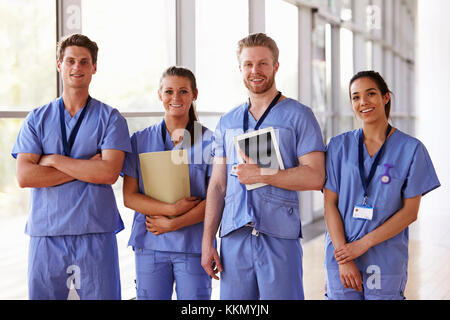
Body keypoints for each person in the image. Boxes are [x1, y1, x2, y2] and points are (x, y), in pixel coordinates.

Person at [201, 33, 326, 300]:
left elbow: (316, 176)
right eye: (248, 64)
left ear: (275, 66)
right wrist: (207, 239)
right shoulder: (228, 121)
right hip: (234, 238)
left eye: (262, 64)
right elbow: (218, 185)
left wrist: (262, 174)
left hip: (279, 235)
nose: (255, 71)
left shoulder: (299, 116)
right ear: (240, 69)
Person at [11, 34, 131, 300]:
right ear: (59, 65)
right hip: (47, 233)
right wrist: (87, 166)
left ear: (94, 68)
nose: (77, 67)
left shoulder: (110, 118)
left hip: (95, 231)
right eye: (70, 61)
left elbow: (109, 173)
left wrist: (53, 160)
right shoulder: (37, 119)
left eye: (84, 62)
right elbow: (25, 176)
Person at [323, 70, 440, 300]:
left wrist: (362, 245)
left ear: (386, 97)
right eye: (355, 97)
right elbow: (329, 204)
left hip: (385, 258)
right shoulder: (338, 146)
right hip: (342, 254)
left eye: (370, 94)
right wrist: (344, 257)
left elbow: (410, 213)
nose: (363, 102)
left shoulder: (411, 149)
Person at [122, 66, 213, 300]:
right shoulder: (139, 141)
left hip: (193, 245)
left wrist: (175, 223)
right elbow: (129, 197)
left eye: (183, 91)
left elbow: (215, 199)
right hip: (151, 244)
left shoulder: (211, 142)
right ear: (159, 94)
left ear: (195, 94)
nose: (176, 98)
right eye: (169, 91)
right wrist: (171, 210)